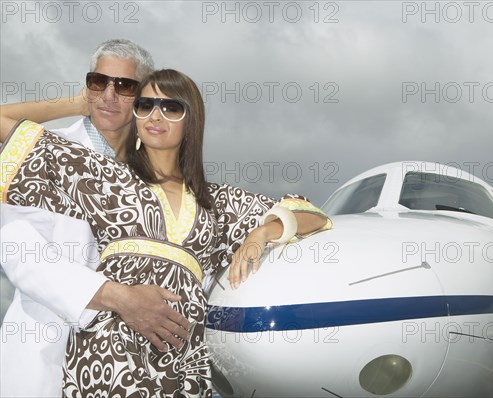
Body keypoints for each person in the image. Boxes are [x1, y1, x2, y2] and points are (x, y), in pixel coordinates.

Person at [0, 68, 331, 396]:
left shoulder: (219, 203)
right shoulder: (102, 176)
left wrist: (263, 233)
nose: (155, 115)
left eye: (171, 107)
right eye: (145, 106)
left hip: (185, 362)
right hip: (110, 353)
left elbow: (313, 216)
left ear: (191, 121)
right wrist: (80, 104)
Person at [0, 39, 191, 398]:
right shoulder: (43, 154)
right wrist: (118, 297)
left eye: (124, 86)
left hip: (127, 373)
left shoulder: (158, 179)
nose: (109, 94)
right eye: (97, 81)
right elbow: (20, 253)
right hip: (46, 360)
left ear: (143, 96)